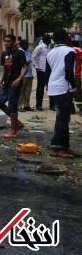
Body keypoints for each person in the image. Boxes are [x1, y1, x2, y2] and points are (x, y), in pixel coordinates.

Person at [45, 29, 77, 158]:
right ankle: (59, 148)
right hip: (64, 88)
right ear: (66, 38)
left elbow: (47, 73)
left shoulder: (50, 53)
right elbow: (69, 71)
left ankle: (63, 146)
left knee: (63, 118)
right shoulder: (70, 51)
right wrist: (73, 87)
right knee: (63, 119)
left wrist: (48, 87)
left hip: (53, 88)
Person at [0, 33, 28, 139]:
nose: (6, 43)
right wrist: (1, 81)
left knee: (12, 106)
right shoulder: (4, 54)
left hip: (15, 83)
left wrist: (19, 79)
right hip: (6, 83)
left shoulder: (19, 53)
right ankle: (17, 123)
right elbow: (5, 69)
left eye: (8, 41)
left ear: (14, 42)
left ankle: (13, 130)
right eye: (5, 41)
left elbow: (25, 67)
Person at [31, 33, 51, 110]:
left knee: (50, 88)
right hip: (41, 71)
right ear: (45, 40)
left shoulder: (49, 47)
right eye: (49, 39)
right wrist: (36, 67)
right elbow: (33, 57)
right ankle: (38, 105)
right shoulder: (40, 47)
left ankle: (52, 105)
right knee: (40, 88)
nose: (50, 41)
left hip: (49, 71)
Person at [18, 39, 34, 112]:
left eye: (27, 44)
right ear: (22, 45)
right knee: (21, 91)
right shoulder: (19, 52)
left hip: (29, 74)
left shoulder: (28, 52)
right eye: (26, 44)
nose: (27, 46)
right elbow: (21, 63)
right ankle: (19, 106)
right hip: (22, 74)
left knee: (28, 91)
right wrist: (26, 63)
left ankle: (26, 106)